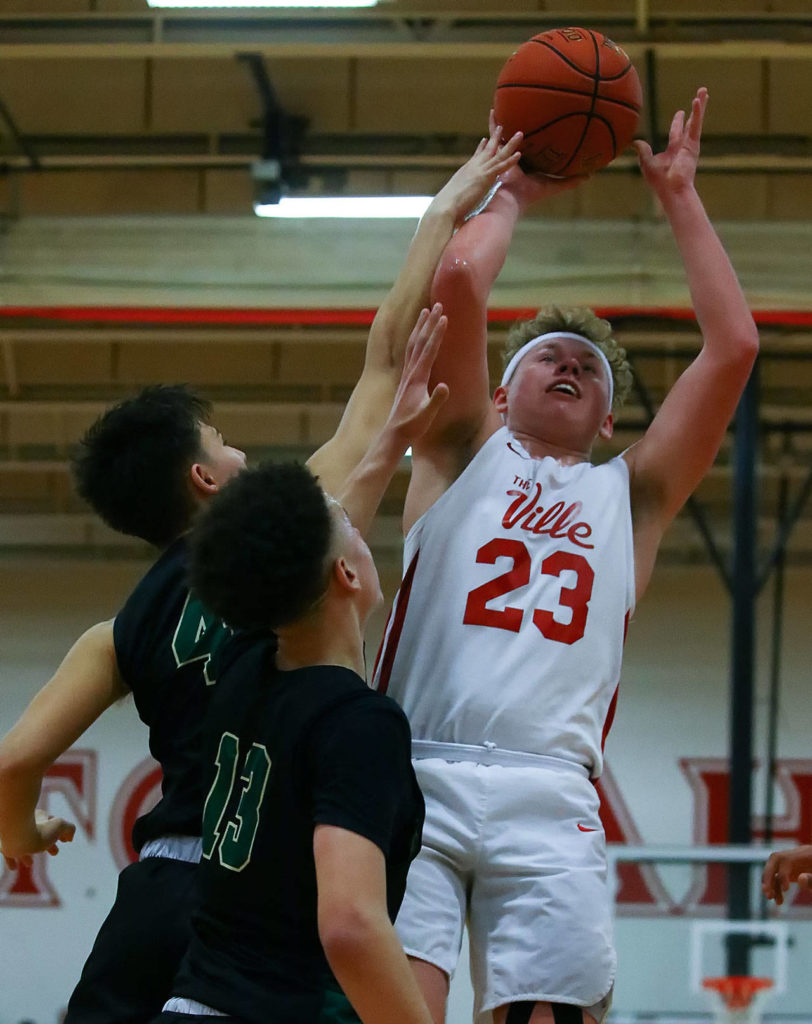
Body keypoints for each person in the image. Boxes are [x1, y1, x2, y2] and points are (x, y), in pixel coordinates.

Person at [0, 128, 522, 1024]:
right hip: (257, 901)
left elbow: (14, 758)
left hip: (152, 894)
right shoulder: (293, 541)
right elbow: (389, 356)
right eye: (225, 444)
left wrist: (21, 835)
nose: (243, 453)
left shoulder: (117, 631)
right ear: (205, 480)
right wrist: (445, 208)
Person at [373, 88, 760, 1024]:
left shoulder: (632, 495)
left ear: (611, 419)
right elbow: (459, 278)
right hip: (413, 764)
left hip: (551, 786)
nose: (573, 364)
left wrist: (679, 196)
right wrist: (515, 191)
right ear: (501, 395)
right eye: (550, 355)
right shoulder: (461, 444)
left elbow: (735, 345)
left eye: (588, 368)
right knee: (391, 1011)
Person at [155, 304, 448, 1024]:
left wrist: (392, 443)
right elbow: (350, 925)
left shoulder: (243, 668)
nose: (358, 521)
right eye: (352, 531)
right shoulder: (358, 724)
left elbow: (296, 545)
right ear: (346, 576)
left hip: (190, 1001)